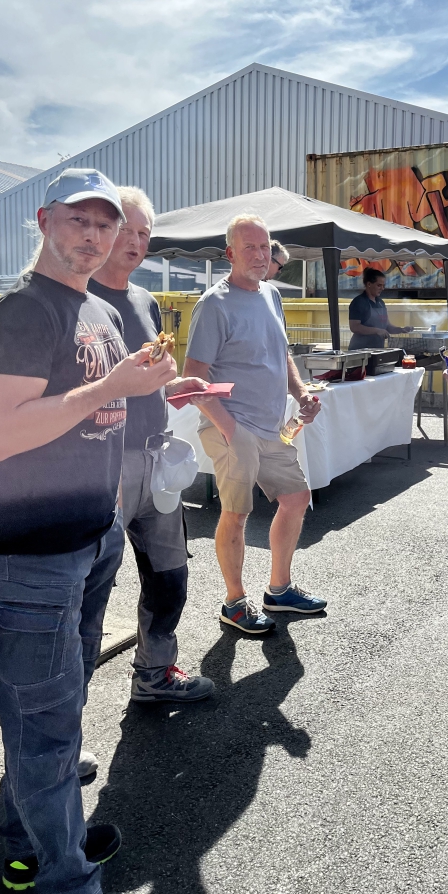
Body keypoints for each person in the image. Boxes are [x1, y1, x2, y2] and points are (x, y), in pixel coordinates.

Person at [0, 168, 176, 894]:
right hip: (32, 552)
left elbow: (103, 414)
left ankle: (29, 843)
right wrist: (108, 387)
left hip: (90, 537)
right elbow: (2, 434)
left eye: (105, 224)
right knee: (46, 722)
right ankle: (70, 893)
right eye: (78, 221)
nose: (93, 237)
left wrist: (151, 390)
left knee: (58, 704)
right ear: (43, 220)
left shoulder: (99, 309)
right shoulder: (24, 312)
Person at [89, 186, 214, 703]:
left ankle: (153, 674)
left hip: (155, 459)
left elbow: (151, 380)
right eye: (127, 229)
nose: (137, 241)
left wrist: (177, 387)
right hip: (102, 464)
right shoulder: (78, 300)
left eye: (145, 233)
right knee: (90, 589)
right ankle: (62, 720)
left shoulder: (146, 301)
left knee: (170, 575)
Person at [183, 214, 326, 633]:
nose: (260, 255)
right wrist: (230, 428)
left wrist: (301, 394)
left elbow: (282, 356)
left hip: (270, 426)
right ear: (230, 253)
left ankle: (278, 591)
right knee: (237, 513)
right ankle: (234, 602)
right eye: (250, 247)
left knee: (296, 498)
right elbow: (193, 377)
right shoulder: (214, 304)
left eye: (265, 247)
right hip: (232, 425)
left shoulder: (271, 295)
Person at [348, 267, 413, 349]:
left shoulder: (380, 303)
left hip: (377, 349)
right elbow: (354, 327)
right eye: (379, 285)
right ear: (369, 284)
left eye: (383, 285)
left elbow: (387, 327)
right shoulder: (359, 302)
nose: (382, 288)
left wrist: (401, 330)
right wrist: (377, 331)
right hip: (360, 350)